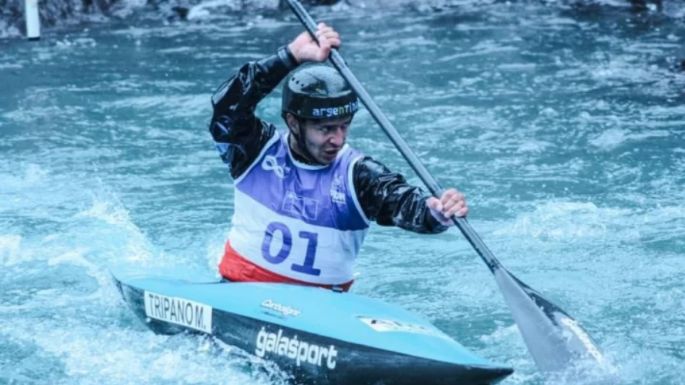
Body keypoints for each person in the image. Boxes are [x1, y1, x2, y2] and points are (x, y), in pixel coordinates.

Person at [209, 23, 468, 292]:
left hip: (324, 310)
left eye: (344, 126)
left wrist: (437, 211)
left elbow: (404, 203)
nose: (338, 139)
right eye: (325, 129)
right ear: (293, 122)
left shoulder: (359, 175)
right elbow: (227, 107)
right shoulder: (253, 150)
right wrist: (290, 56)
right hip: (240, 291)